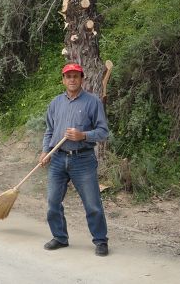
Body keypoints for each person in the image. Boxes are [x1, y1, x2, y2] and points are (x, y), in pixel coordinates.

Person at [39, 63, 109, 256]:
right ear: (63, 80)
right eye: (68, 76)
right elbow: (49, 131)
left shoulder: (92, 102)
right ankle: (60, 238)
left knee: (92, 204)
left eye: (75, 76)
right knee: (53, 202)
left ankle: (101, 241)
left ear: (81, 79)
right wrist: (45, 151)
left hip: (83, 160)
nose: (72, 79)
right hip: (58, 159)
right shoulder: (55, 103)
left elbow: (103, 132)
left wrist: (83, 135)